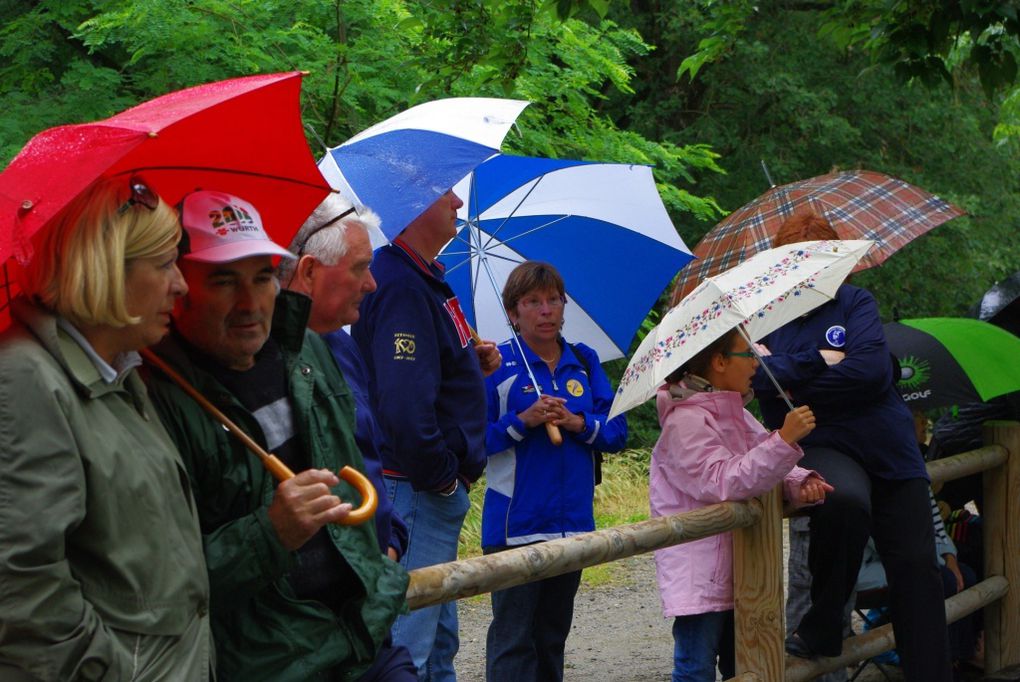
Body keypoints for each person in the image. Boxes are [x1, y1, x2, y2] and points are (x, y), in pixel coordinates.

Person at [143, 190, 407, 681]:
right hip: (274, 666)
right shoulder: (158, 398)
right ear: (180, 286)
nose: (249, 303)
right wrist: (270, 534)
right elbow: (160, 585)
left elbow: (355, 475)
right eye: (223, 280)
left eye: (263, 276)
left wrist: (381, 569)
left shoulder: (307, 349)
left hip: (369, 643)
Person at [0, 176, 212, 680]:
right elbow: (21, 586)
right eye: (164, 265)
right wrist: (110, 671)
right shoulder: (26, 381)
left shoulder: (121, 373)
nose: (181, 284)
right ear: (105, 271)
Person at [752, 209, 951, 681]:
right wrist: (822, 359)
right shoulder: (764, 320)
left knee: (919, 568)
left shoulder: (856, 303)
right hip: (819, 442)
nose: (811, 272)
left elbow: (872, 373)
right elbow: (761, 385)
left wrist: (792, 375)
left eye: (821, 260)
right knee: (846, 504)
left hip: (889, 447)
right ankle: (823, 623)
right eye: (797, 262)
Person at [353, 188, 501, 681]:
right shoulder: (400, 284)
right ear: (415, 205)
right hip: (415, 489)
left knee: (438, 644)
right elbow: (399, 400)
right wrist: (438, 476)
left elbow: (417, 372)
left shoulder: (425, 279)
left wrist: (467, 363)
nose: (458, 203)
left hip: (425, 488)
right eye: (446, 195)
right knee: (409, 648)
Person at [281, 193, 416, 679]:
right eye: (361, 267)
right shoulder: (261, 363)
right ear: (311, 271)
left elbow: (367, 458)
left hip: (370, 609)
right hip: (310, 630)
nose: (372, 282)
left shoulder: (342, 345)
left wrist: (391, 536)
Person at [651, 327, 829, 682]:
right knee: (695, 668)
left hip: (741, 565)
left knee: (745, 661)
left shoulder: (732, 410)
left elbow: (762, 457)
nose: (756, 363)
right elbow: (724, 480)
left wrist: (798, 482)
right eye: (748, 354)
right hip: (702, 571)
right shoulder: (685, 421)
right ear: (719, 362)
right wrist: (784, 439)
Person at [481, 261, 628, 682]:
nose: (545, 310)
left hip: (573, 525)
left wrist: (578, 424)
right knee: (513, 642)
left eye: (553, 300)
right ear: (513, 312)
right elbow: (474, 444)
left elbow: (617, 432)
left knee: (551, 639)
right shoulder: (497, 366)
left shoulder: (584, 360)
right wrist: (521, 421)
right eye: (532, 302)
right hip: (515, 527)